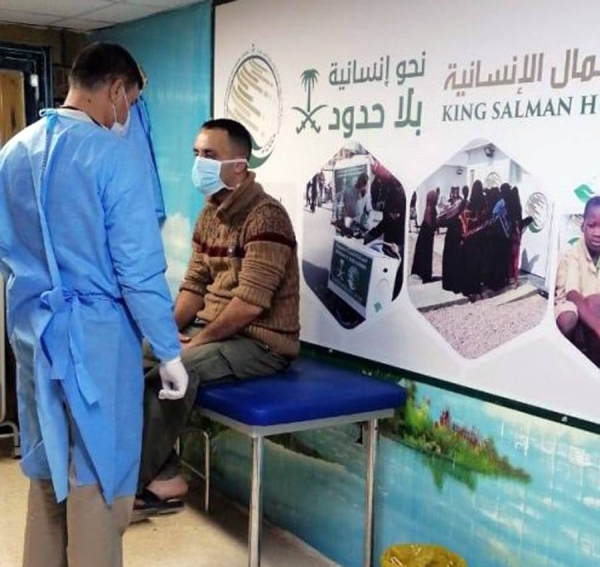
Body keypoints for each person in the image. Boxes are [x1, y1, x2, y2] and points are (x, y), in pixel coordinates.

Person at [0, 42, 188, 567]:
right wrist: (169, 351)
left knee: (46, 476)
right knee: (98, 481)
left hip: (33, 335)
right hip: (96, 341)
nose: (129, 116)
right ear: (116, 91)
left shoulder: (14, 152)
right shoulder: (114, 157)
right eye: (132, 101)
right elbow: (138, 270)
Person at [135, 118, 300, 512]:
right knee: (135, 354)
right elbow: (193, 286)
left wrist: (195, 342)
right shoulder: (211, 213)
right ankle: (165, 475)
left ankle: (130, 486)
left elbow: (250, 303)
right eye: (197, 154)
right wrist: (164, 333)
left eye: (210, 155)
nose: (200, 163)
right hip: (213, 332)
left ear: (239, 165)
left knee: (176, 368)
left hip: (259, 343)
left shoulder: (267, 217)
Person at [555, 196, 600, 366]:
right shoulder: (572, 254)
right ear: (582, 226)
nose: (598, 233)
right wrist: (597, 326)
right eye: (592, 225)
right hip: (573, 306)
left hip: (593, 309)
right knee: (568, 317)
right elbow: (573, 294)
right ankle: (565, 356)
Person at [411, 189, 438, 283]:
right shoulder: (430, 208)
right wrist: (436, 225)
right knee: (426, 254)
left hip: (426, 235)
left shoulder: (430, 207)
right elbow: (429, 222)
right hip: (426, 236)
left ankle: (425, 273)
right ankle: (426, 274)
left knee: (425, 253)